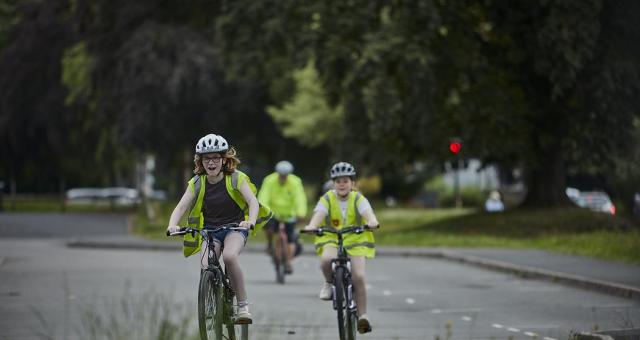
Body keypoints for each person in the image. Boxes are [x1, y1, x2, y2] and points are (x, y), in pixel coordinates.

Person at [166, 133, 272, 323]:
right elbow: (181, 206)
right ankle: (213, 298)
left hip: (235, 228)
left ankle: (242, 306)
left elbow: (252, 202)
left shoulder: (236, 178)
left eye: (216, 157)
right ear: (200, 161)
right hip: (209, 230)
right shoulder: (197, 183)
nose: (211, 162)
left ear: (224, 160)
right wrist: (172, 224)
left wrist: (250, 221)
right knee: (206, 265)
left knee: (230, 257)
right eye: (207, 158)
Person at [303, 161, 379, 334]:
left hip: (355, 238)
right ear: (333, 183)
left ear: (353, 183)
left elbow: (368, 214)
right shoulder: (328, 198)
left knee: (358, 275)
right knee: (326, 260)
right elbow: (319, 214)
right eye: (338, 181)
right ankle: (329, 283)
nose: (342, 184)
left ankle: (363, 316)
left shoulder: (358, 198)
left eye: (345, 180)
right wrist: (312, 226)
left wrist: (371, 221)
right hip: (332, 237)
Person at [258, 160, 307, 274]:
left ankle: (288, 262)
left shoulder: (295, 182)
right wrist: (264, 211)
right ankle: (270, 242)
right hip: (273, 213)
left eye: (285, 176)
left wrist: (301, 212)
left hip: (289, 214)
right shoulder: (269, 180)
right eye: (281, 175)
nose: (283, 178)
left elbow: (300, 198)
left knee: (290, 238)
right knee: (268, 228)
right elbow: (263, 196)